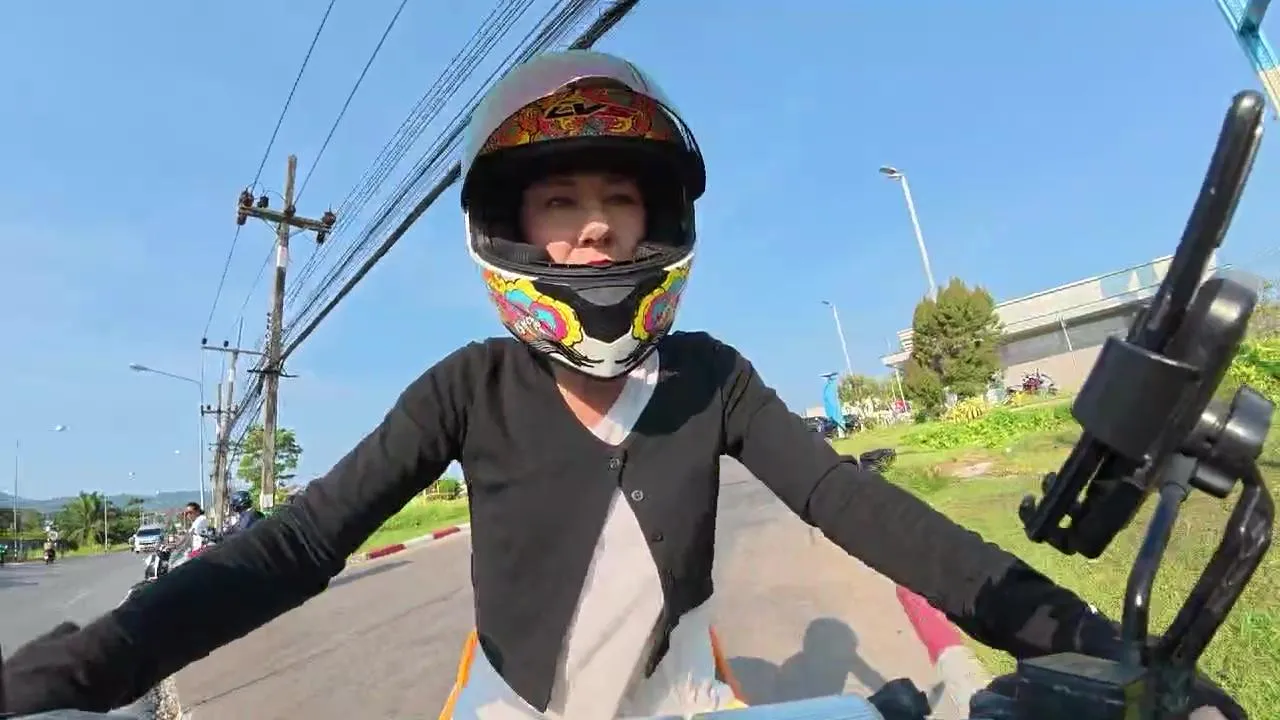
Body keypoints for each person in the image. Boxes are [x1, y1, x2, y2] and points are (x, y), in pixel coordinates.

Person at [0, 50, 1245, 720]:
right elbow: (298, 541)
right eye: (559, 200)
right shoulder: (464, 388)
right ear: (512, 228)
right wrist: (84, 668)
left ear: (658, 223)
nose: (592, 227)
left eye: (617, 200)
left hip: (685, 702)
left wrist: (1082, 643)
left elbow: (862, 510)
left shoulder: (713, 379)